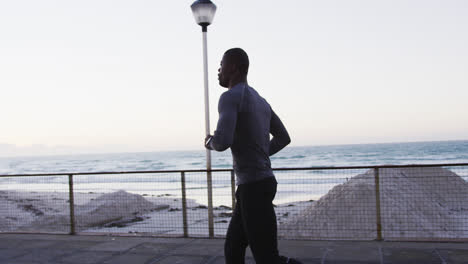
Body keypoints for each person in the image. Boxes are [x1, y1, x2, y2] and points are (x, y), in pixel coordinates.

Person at [205, 48, 300, 264]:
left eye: (222, 64)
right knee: (233, 248)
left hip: (253, 188)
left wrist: (209, 142)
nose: (218, 70)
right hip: (260, 184)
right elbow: (283, 137)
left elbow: (223, 141)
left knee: (267, 258)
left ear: (234, 67)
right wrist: (259, 152)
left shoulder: (229, 98)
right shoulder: (261, 101)